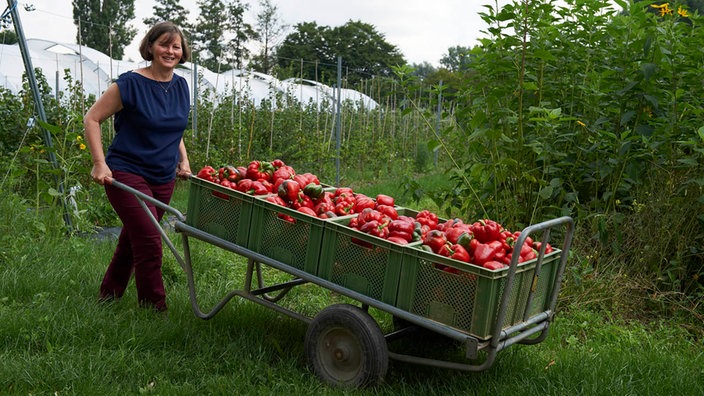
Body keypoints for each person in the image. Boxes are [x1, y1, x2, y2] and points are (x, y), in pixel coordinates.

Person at [84, 21, 192, 312]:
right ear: (150, 47)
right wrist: (99, 163)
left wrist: (183, 159)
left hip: (163, 177)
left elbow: (173, 128)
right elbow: (92, 119)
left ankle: (108, 296)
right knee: (149, 240)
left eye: (176, 46)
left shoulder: (181, 86)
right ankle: (154, 310)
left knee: (133, 239)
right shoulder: (129, 84)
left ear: (182, 52)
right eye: (164, 44)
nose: (170, 51)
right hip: (127, 172)